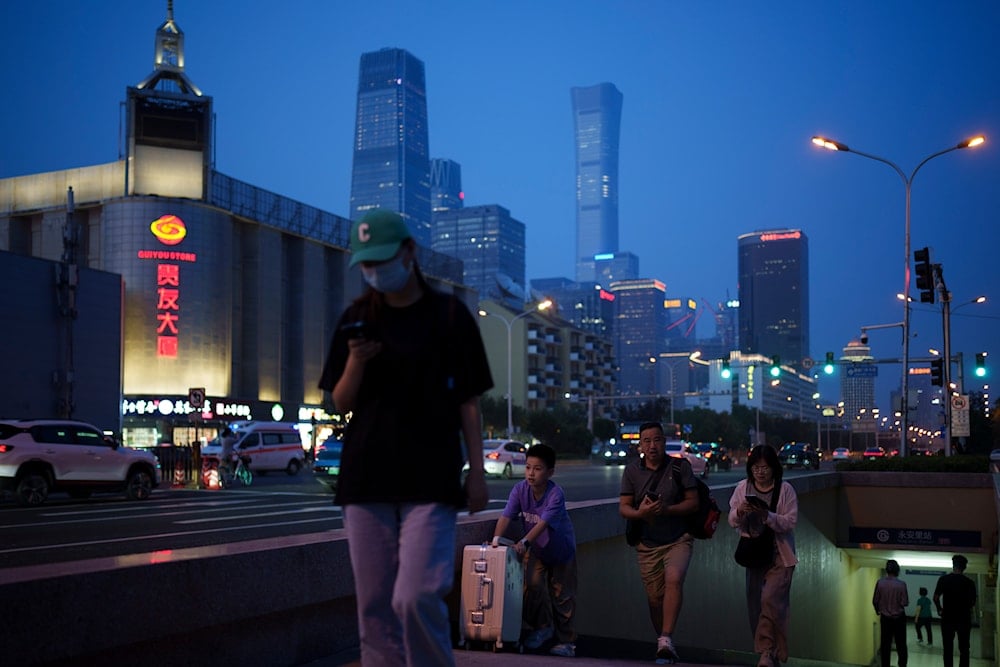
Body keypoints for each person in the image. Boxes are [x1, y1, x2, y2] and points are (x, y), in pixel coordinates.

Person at [317, 209, 493, 667]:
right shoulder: (356, 319)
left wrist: (476, 472)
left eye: (382, 260)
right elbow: (338, 403)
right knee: (373, 607)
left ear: (409, 252)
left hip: (430, 478)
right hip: (365, 478)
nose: (375, 272)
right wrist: (357, 361)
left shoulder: (449, 316)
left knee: (415, 596)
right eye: (366, 265)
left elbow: (469, 403)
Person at [619, 421, 699, 663]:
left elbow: (693, 503)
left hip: (678, 538)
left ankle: (666, 637)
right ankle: (664, 643)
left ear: (664, 442)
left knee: (674, 578)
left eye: (656, 440)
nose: (652, 445)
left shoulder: (679, 467)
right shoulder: (632, 471)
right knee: (655, 599)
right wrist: (641, 514)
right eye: (646, 441)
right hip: (647, 543)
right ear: (640, 445)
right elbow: (624, 507)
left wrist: (667, 509)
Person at [492, 443, 578, 658]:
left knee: (563, 597)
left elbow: (542, 525)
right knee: (531, 587)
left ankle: (567, 643)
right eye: (528, 467)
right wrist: (495, 540)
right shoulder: (520, 489)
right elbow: (506, 515)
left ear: (550, 472)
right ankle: (543, 627)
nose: (531, 473)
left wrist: (524, 543)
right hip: (537, 551)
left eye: (537, 468)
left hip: (561, 551)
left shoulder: (555, 494)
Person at [727, 445, 798, 667]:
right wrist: (740, 512)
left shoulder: (785, 490)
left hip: (779, 555)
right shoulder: (743, 487)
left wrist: (767, 516)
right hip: (755, 554)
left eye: (765, 467)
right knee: (756, 605)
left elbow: (790, 522)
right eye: (756, 467)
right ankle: (774, 649)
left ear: (773, 468)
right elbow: (731, 519)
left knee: (771, 600)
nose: (760, 472)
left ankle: (767, 651)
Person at [933, 554, 977, 667]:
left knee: (947, 648)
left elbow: (936, 597)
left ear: (953, 566)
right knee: (964, 649)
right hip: (964, 619)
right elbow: (973, 602)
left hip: (947, 618)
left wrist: (939, 610)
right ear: (964, 567)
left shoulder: (943, 580)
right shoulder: (969, 583)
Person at [873, 559, 909, 667]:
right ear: (897, 570)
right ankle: (902, 665)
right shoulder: (902, 584)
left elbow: (875, 601)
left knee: (885, 645)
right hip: (899, 619)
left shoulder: (880, 583)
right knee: (901, 645)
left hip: (885, 619)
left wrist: (878, 611)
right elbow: (905, 603)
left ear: (886, 570)